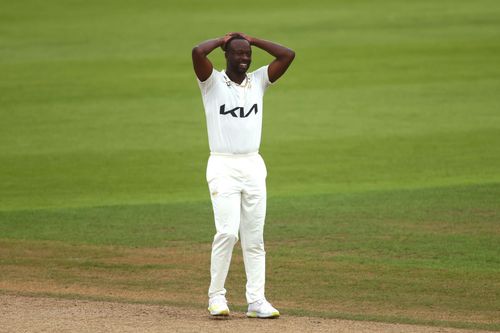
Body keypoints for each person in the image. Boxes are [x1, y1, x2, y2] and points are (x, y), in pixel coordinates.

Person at [192, 32, 295, 318]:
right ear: (226, 55)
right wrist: (223, 39)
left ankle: (256, 301)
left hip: (252, 165)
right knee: (227, 233)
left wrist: (253, 40)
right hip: (223, 165)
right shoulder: (211, 83)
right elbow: (197, 52)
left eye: (247, 54)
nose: (244, 59)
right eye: (238, 53)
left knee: (254, 238)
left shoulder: (258, 81)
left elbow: (288, 55)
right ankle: (216, 297)